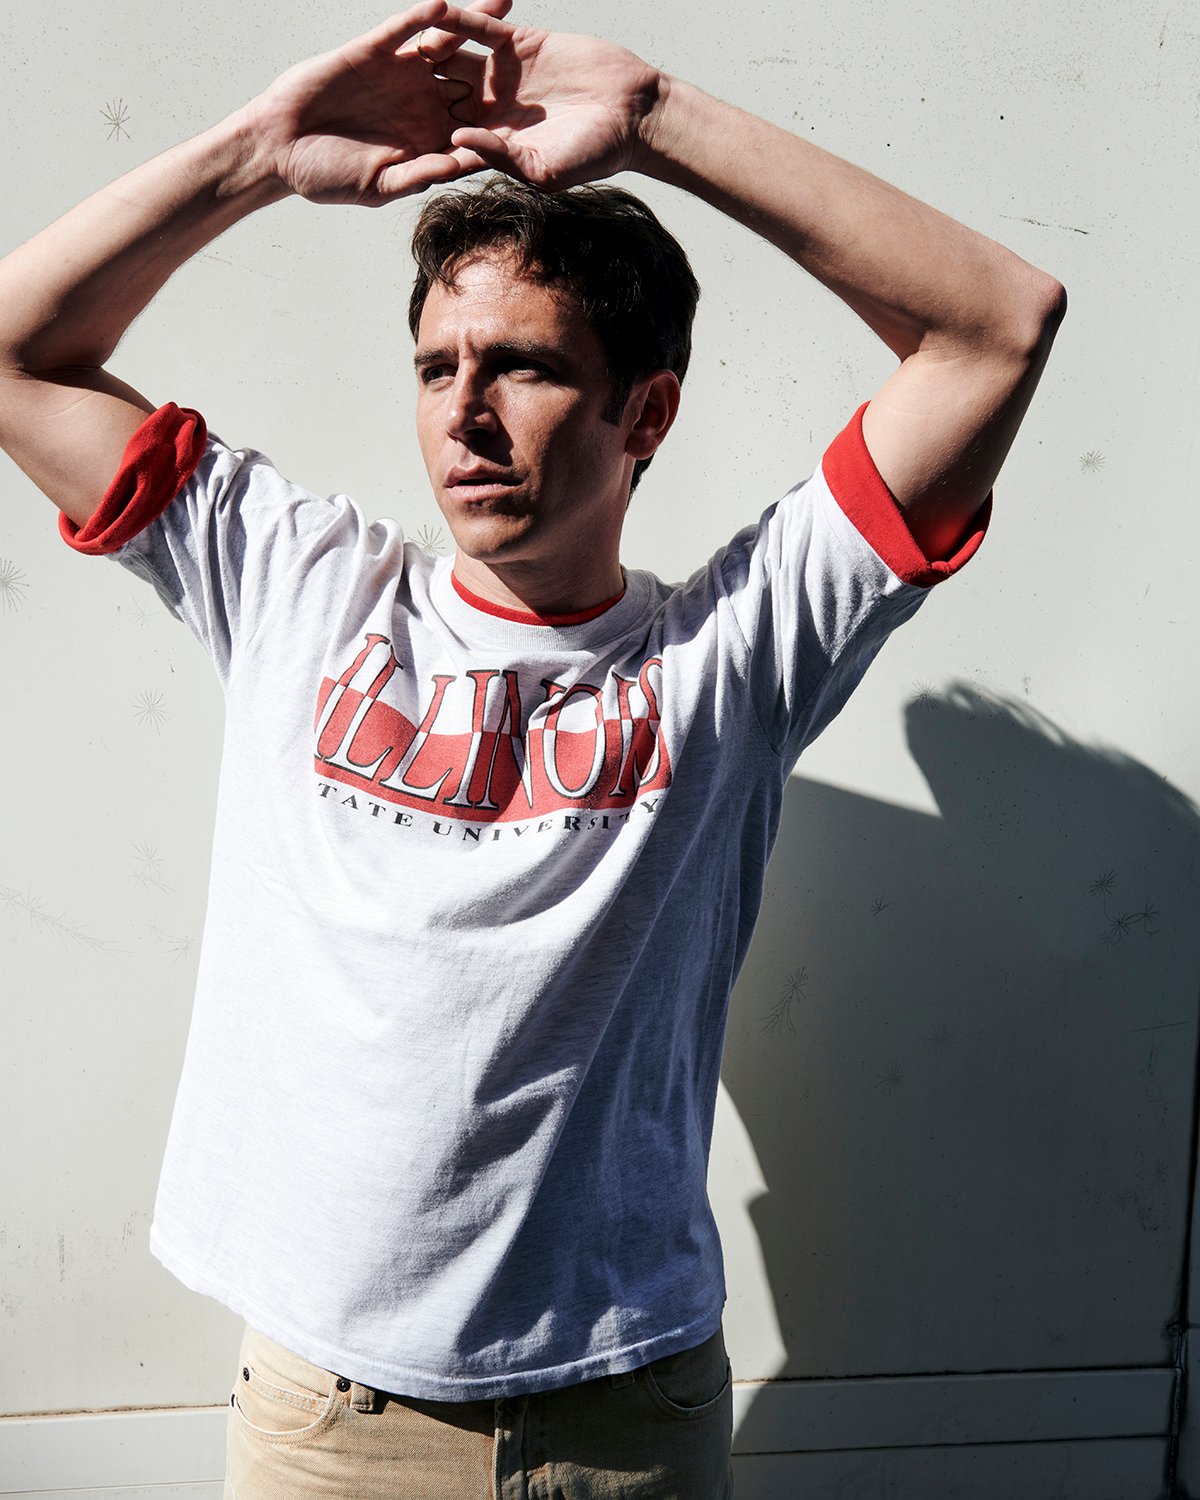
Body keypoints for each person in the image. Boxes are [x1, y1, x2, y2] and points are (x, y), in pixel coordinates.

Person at [0, 2, 1065, 1494]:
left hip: (625, 1423)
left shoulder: (732, 653)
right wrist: (255, 151)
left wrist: (656, 116)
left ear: (647, 413)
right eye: (436, 366)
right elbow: (17, 350)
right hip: (330, 1424)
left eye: (522, 366)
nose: (468, 416)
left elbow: (1000, 322)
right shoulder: (297, 587)